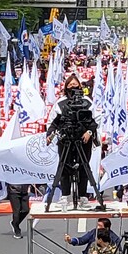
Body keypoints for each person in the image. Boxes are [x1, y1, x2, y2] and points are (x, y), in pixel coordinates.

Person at [45, 74, 98, 212]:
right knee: (64, 167)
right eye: (70, 85)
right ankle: (65, 196)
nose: (73, 88)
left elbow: (95, 121)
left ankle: (83, 197)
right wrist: (50, 135)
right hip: (65, 139)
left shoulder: (87, 101)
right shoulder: (60, 103)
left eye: (75, 85)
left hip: (83, 140)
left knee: (84, 167)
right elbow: (53, 122)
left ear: (80, 86)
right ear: (66, 87)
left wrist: (89, 132)